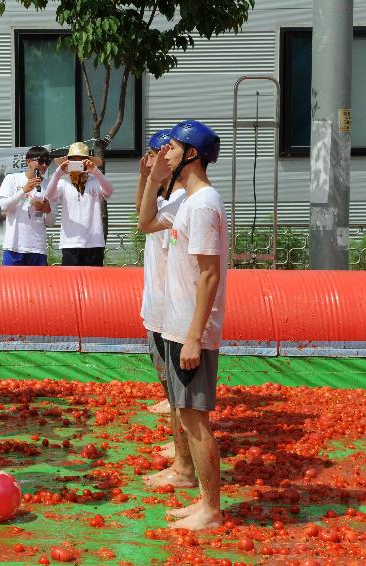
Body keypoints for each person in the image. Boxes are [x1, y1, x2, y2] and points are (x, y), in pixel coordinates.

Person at [140, 120, 226, 530]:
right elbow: (144, 223)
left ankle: (211, 507)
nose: (165, 153)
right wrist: (153, 178)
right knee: (186, 413)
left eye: (172, 148)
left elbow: (210, 275)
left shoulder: (205, 203)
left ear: (191, 154)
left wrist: (194, 337)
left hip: (190, 331)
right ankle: (203, 501)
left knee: (195, 417)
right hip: (175, 325)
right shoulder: (185, 203)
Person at [136, 129, 196, 491]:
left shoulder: (184, 201)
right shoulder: (164, 197)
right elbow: (141, 220)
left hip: (174, 310)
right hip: (157, 306)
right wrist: (148, 178)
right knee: (170, 390)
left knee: (182, 396)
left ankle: (184, 462)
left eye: (164, 153)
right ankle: (181, 453)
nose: (159, 159)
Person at [43, 142, 114, 266]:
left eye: (81, 160)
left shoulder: (96, 181)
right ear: (68, 162)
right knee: (70, 283)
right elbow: (49, 196)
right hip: (70, 242)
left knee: (93, 283)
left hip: (94, 242)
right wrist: (58, 172)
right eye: (73, 160)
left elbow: (109, 192)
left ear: (87, 161)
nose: (77, 163)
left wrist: (96, 171)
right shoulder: (62, 183)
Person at [0, 146, 55, 266]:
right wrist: (24, 190)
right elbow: (4, 206)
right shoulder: (12, 179)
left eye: (47, 162)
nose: (44, 165)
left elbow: (51, 222)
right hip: (14, 246)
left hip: (37, 248)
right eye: (41, 161)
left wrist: (48, 210)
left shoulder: (49, 186)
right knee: (11, 284)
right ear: (28, 161)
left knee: (38, 285)